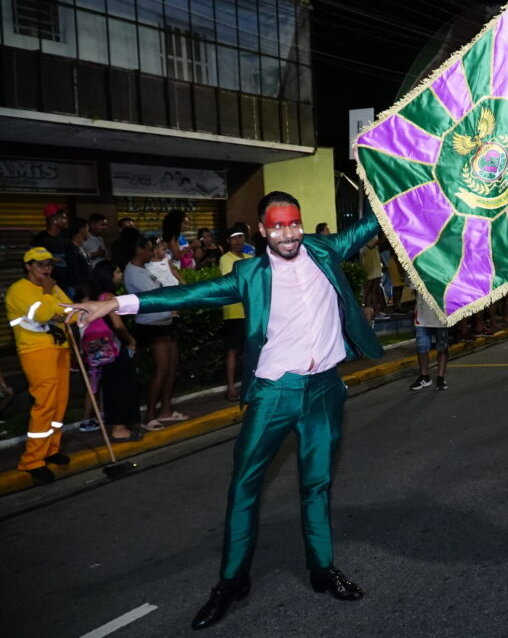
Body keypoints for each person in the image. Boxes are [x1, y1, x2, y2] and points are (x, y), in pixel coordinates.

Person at [67, 191, 384, 630]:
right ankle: (232, 583)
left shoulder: (325, 249)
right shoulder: (248, 274)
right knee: (245, 487)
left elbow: (378, 217)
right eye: (278, 227)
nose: (289, 234)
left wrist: (417, 171)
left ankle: (321, 568)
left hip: (325, 390)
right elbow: (188, 294)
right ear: (263, 230)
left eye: (294, 224)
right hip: (274, 394)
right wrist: (115, 303)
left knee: (318, 485)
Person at [5, 248, 73, 483]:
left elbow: (71, 312)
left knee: (59, 402)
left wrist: (55, 305)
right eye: (41, 264)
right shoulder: (18, 290)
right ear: (28, 266)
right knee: (45, 403)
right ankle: (32, 460)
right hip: (35, 351)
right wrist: (48, 294)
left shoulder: (51, 287)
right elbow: (44, 314)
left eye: (49, 265)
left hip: (60, 347)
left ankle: (51, 449)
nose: (46, 269)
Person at [124, 235, 185, 430]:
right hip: (152, 325)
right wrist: (172, 307)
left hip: (165, 322)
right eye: (149, 249)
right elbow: (153, 298)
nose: (152, 252)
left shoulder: (143, 269)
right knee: (162, 369)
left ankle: (165, 410)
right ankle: (149, 415)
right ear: (138, 250)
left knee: (171, 367)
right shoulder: (133, 272)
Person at [88, 261, 142, 441]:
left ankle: (118, 425)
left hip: (102, 350)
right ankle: (119, 428)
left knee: (111, 386)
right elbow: (118, 325)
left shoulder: (95, 296)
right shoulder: (109, 297)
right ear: (109, 276)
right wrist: (131, 340)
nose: (120, 275)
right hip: (116, 349)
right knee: (122, 385)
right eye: (118, 272)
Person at [219, 223, 252, 402]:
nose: (238, 241)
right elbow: (232, 282)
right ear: (228, 241)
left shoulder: (249, 257)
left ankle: (249, 385)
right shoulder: (225, 259)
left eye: (241, 237)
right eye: (234, 238)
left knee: (249, 350)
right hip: (234, 311)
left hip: (251, 311)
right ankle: (231, 387)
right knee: (233, 350)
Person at [409, 290, 449, 391]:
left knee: (442, 348)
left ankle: (440, 377)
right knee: (422, 347)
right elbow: (414, 289)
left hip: (441, 315)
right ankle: (424, 376)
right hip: (422, 316)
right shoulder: (417, 278)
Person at [31, 204, 75, 297]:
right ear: (54, 220)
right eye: (64, 218)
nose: (67, 221)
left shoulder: (65, 240)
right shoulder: (40, 240)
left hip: (65, 287)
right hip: (47, 288)